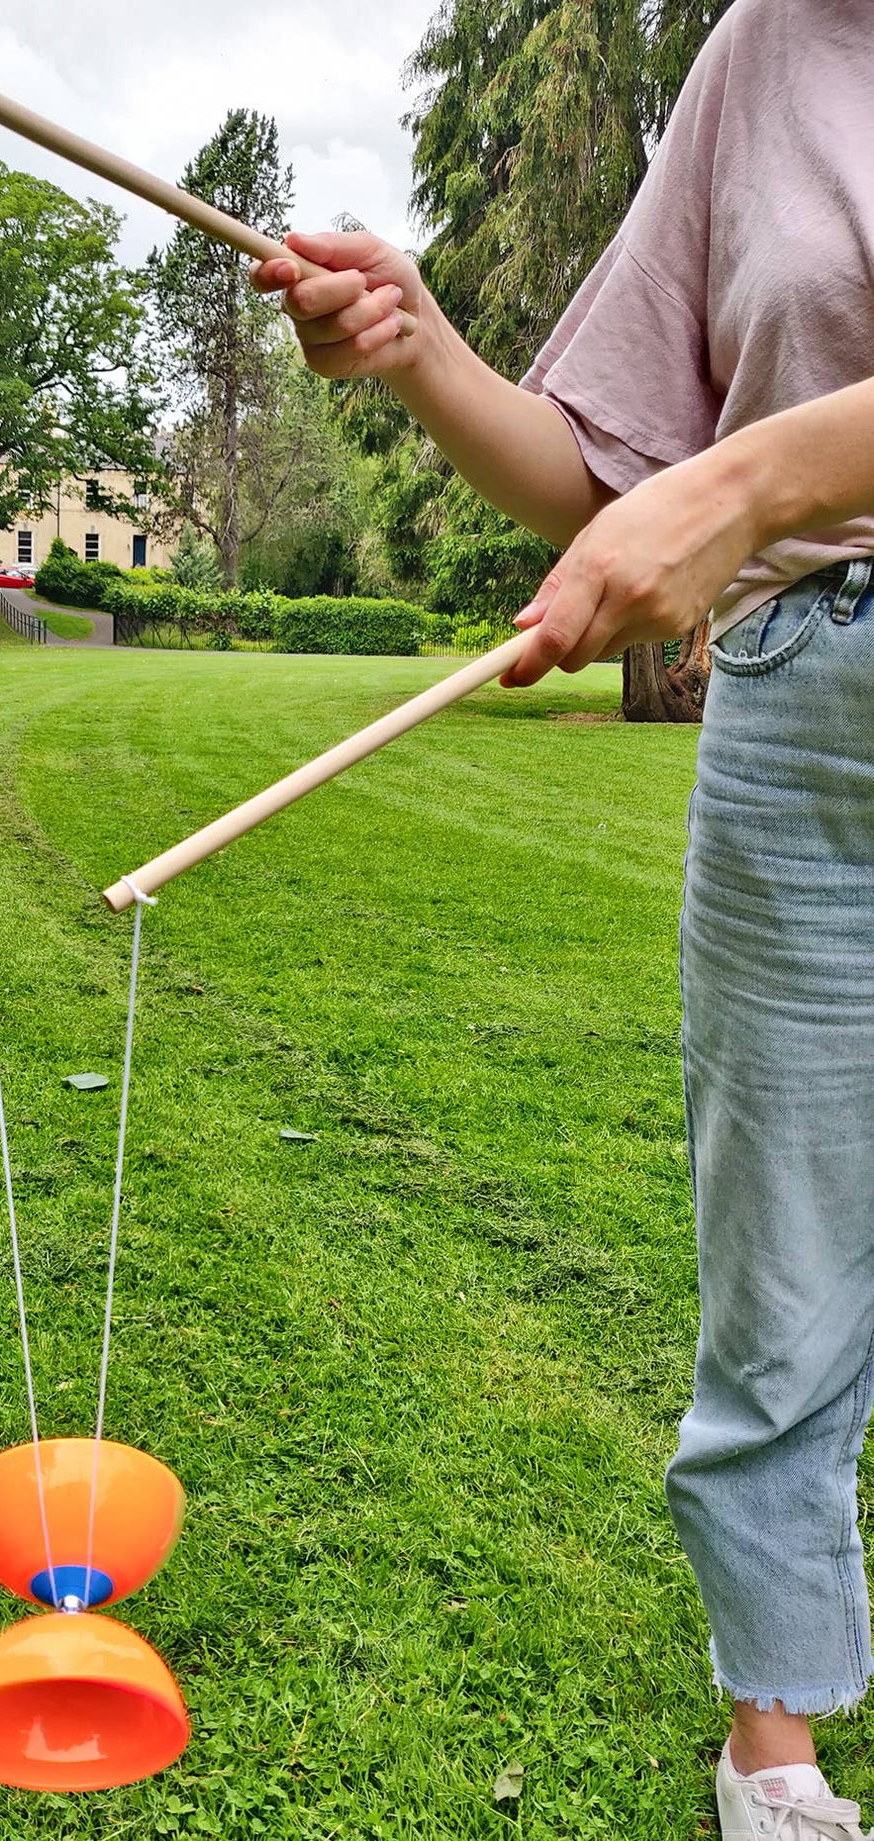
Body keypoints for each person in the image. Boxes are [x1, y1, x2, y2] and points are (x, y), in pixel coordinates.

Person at [253, 3, 874, 1836]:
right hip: (795, 715)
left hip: (770, 568)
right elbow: (606, 474)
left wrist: (749, 479)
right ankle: (775, 1744)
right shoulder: (762, 47)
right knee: (779, 1269)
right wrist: (418, 347)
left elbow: (711, 483)